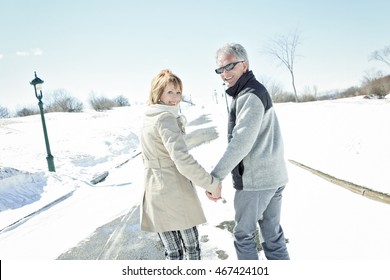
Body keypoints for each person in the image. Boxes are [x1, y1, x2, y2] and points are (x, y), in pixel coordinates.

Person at [207, 43, 290, 260]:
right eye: (221, 69)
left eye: (230, 66)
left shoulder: (250, 95)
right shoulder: (250, 91)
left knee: (243, 235)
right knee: (272, 236)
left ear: (245, 65)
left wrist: (215, 177)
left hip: (257, 182)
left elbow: (240, 143)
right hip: (273, 177)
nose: (225, 73)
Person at [140, 69, 222, 260]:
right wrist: (211, 183)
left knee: (172, 253)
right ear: (158, 92)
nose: (175, 98)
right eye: (170, 92)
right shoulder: (165, 118)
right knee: (191, 249)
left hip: (154, 190)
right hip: (174, 191)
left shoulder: (148, 116)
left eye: (178, 93)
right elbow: (182, 160)